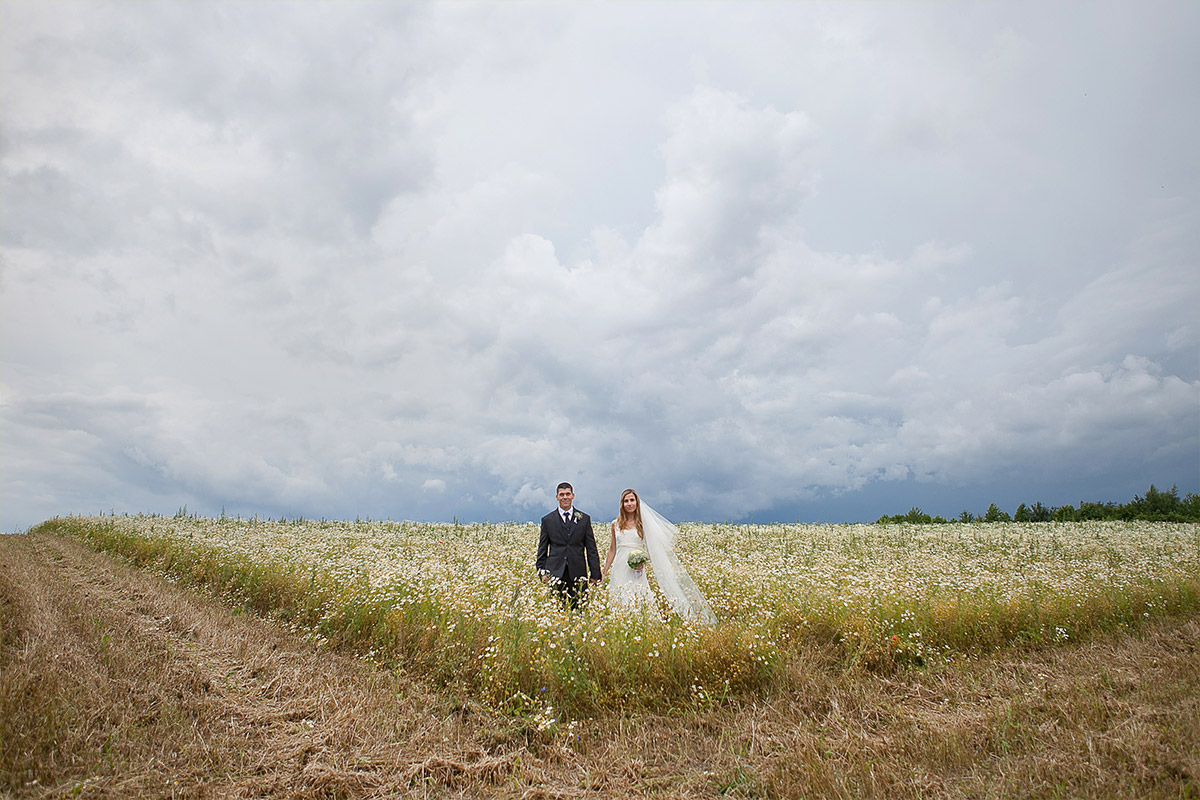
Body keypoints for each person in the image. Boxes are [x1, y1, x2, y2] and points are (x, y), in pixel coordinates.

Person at [605, 489, 717, 625]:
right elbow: (612, 549)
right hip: (619, 567)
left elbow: (653, 549)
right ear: (622, 504)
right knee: (619, 595)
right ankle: (620, 626)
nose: (629, 504)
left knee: (638, 595)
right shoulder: (615, 524)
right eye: (626, 501)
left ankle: (642, 626)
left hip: (636, 569)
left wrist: (642, 562)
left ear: (637, 503)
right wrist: (604, 571)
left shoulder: (643, 524)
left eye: (632, 500)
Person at [536, 482, 602, 609]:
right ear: (557, 497)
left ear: (573, 496)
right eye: (561, 495)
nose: (565, 497)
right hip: (555, 573)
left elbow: (591, 549)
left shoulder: (584, 519)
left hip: (578, 573)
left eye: (567, 494)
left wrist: (595, 575)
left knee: (580, 610)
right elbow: (542, 549)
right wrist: (542, 572)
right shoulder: (548, 520)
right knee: (556, 612)